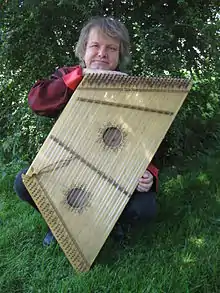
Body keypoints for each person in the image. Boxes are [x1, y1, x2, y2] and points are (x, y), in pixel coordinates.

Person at [14, 16, 159, 246]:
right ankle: (60, 225)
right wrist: (79, 77)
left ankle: (109, 225)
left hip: (112, 171)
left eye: (111, 48)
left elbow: (146, 138)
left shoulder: (132, 88)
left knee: (145, 207)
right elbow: (37, 101)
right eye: (95, 46)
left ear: (119, 55)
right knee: (24, 182)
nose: (102, 53)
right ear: (83, 50)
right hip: (69, 164)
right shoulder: (67, 77)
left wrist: (149, 174)